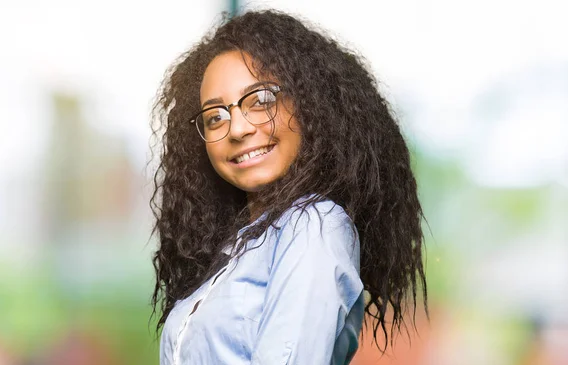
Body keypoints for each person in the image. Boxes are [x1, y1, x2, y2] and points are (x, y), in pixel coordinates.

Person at [150, 9, 428, 365]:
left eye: (261, 100)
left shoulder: (314, 225)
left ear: (310, 105)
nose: (237, 129)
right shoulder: (235, 248)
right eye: (215, 116)